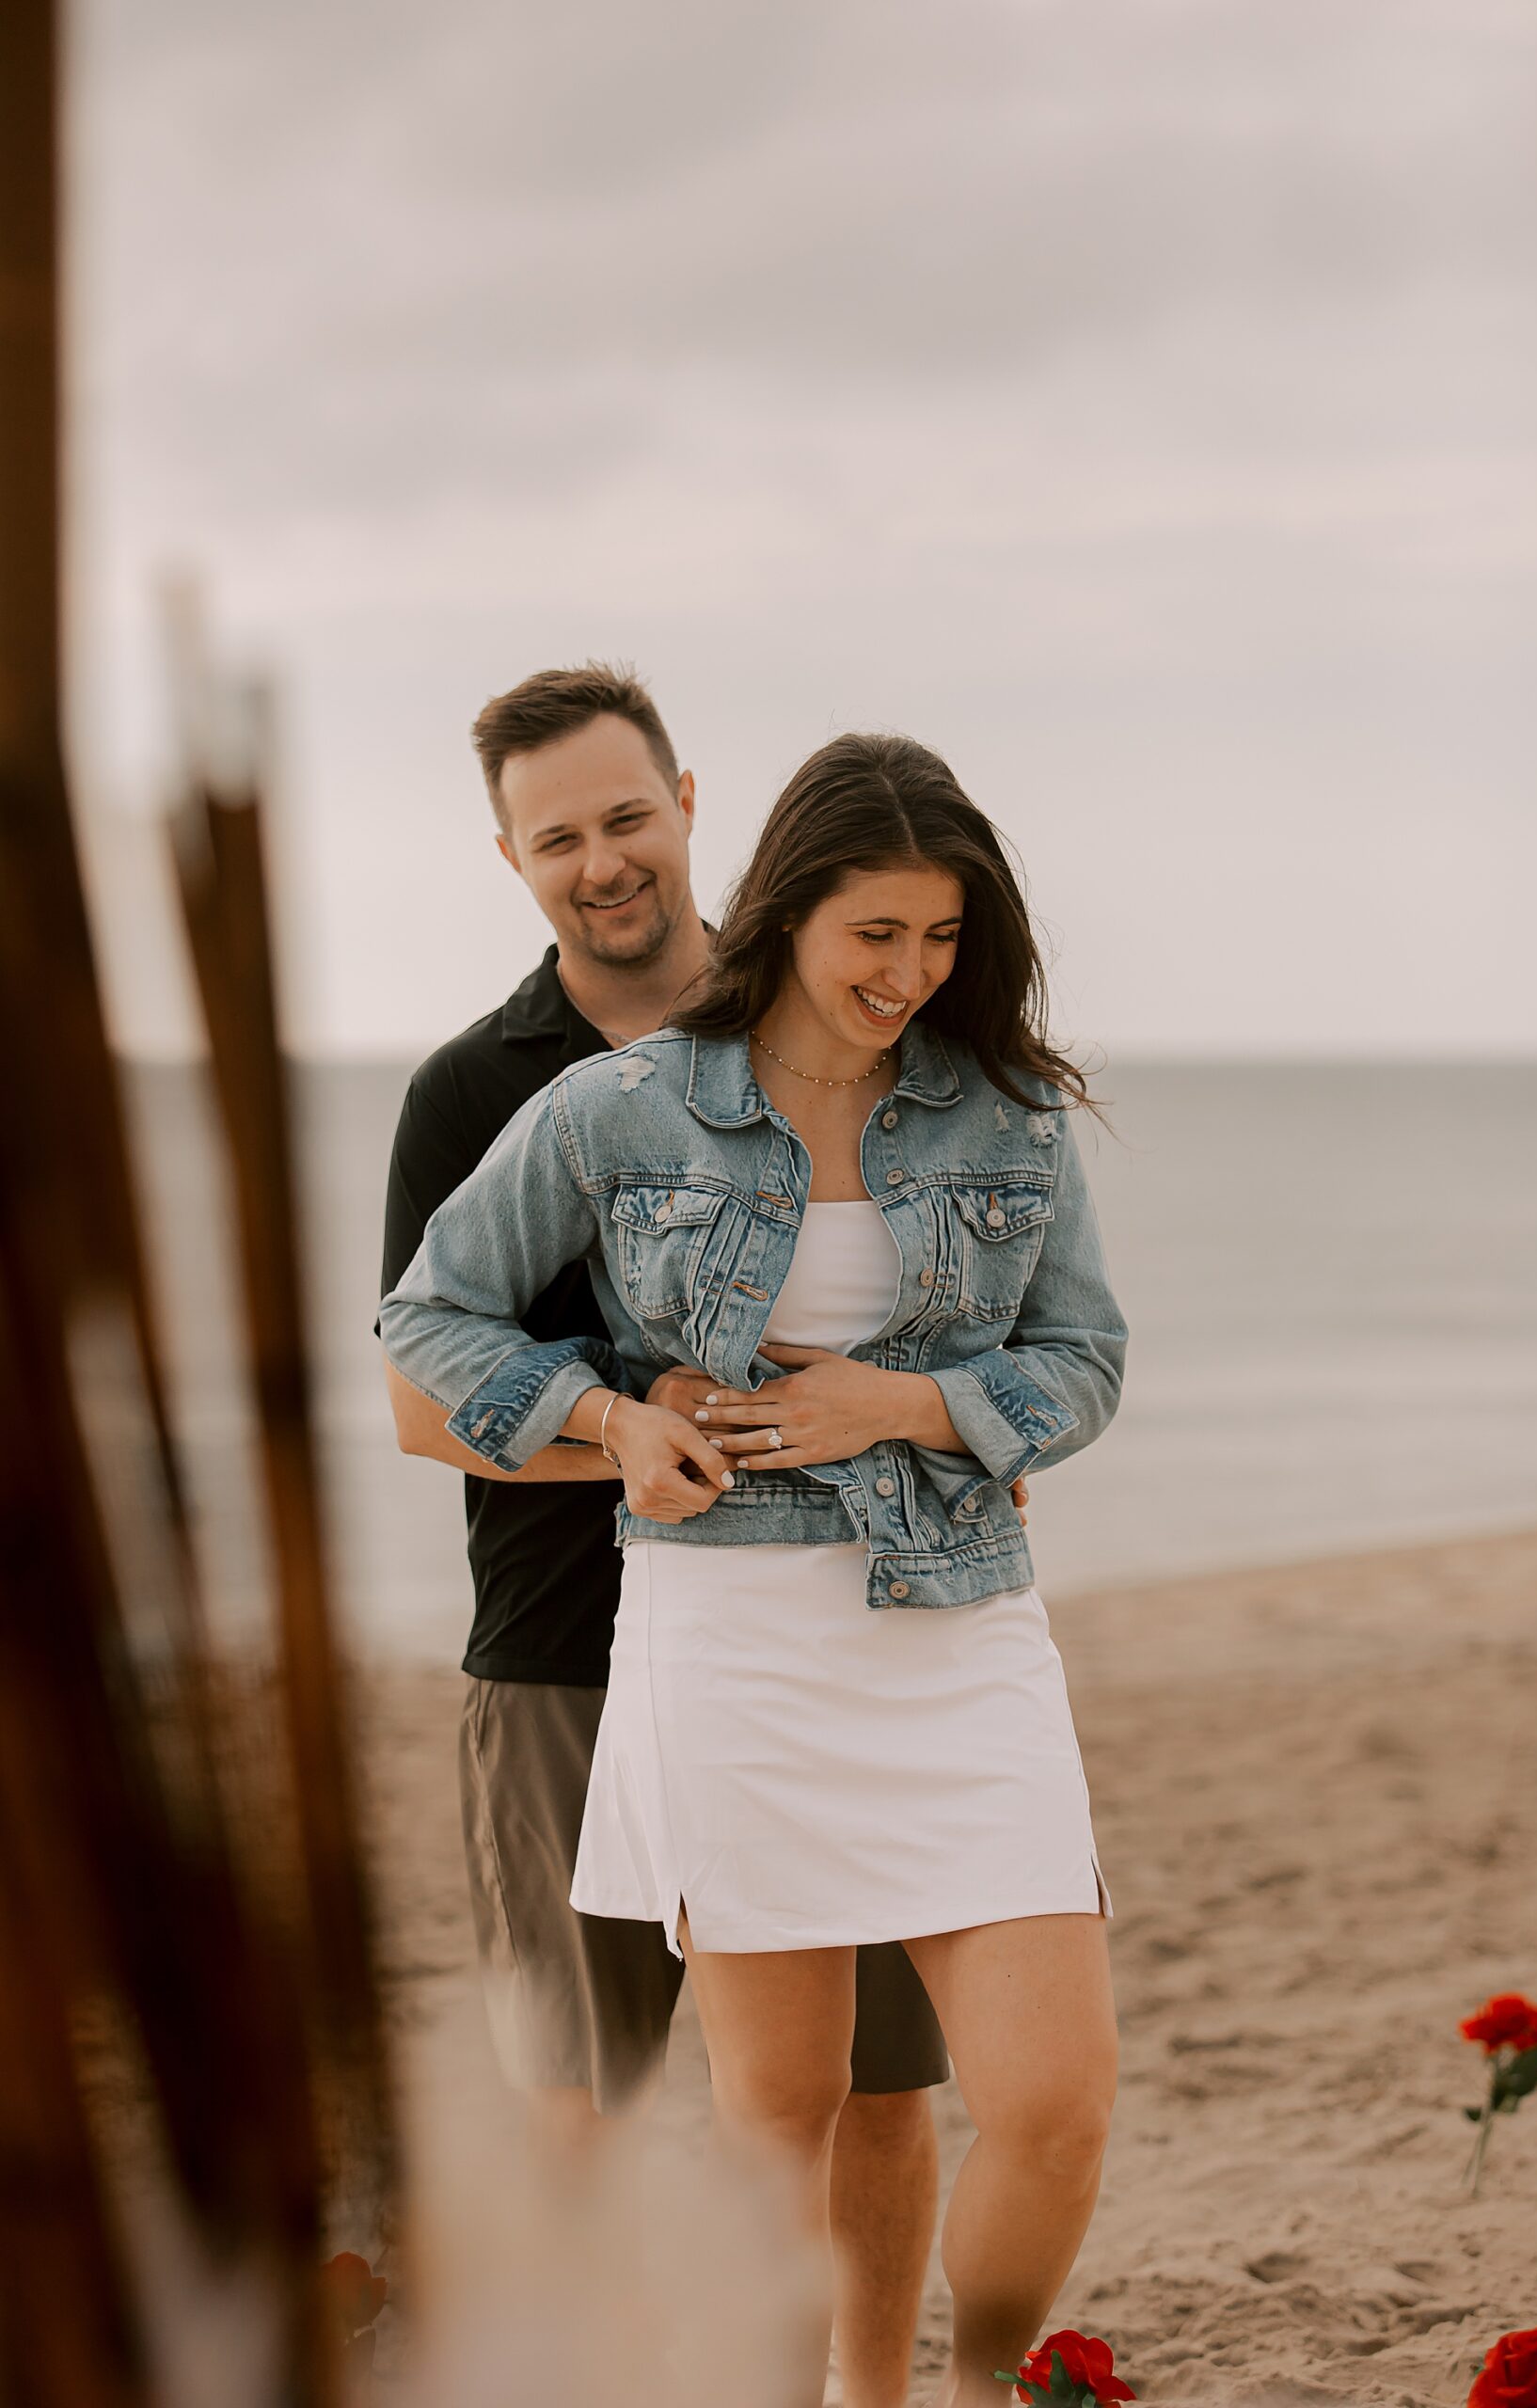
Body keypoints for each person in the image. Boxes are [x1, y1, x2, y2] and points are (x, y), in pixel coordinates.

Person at [382, 727, 1127, 2408]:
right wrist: (606, 1422)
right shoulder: (620, 1108)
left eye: (943, 939)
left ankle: (985, 2383)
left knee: (1055, 2102)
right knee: (774, 2119)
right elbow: (430, 1315)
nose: (911, 974)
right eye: (879, 935)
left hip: (961, 1624)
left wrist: (914, 1401)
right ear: (795, 910)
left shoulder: (1004, 1112)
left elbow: (1082, 1363)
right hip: (728, 1632)